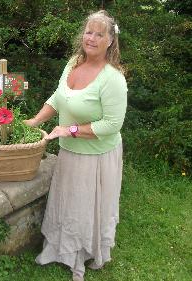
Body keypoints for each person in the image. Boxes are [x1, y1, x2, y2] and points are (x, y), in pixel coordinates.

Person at [24, 10, 127, 281]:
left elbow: (111, 125)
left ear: (110, 42)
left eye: (99, 34)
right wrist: (35, 121)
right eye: (89, 32)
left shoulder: (112, 78)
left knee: (86, 208)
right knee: (68, 204)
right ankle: (59, 249)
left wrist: (68, 130)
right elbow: (59, 97)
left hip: (97, 157)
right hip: (70, 152)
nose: (91, 38)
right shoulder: (73, 63)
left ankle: (82, 255)